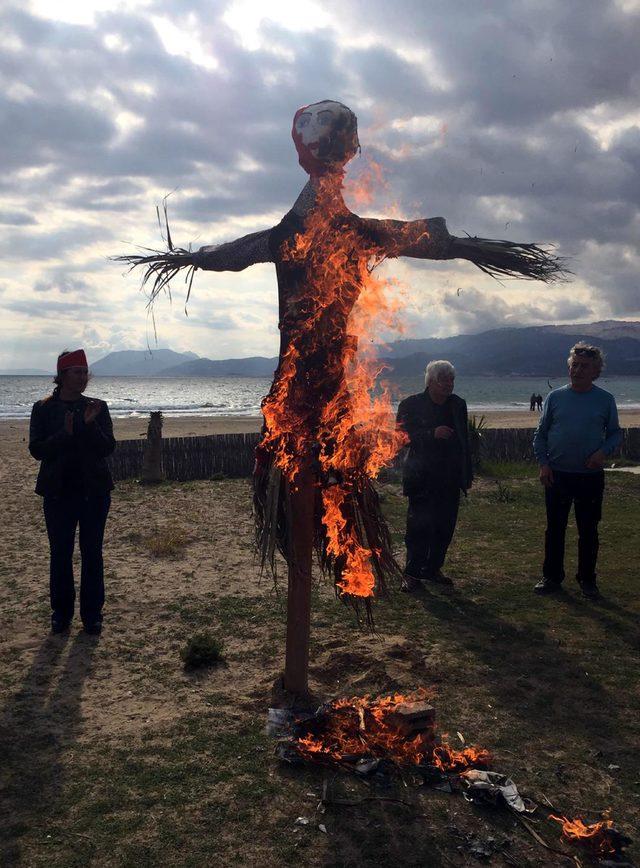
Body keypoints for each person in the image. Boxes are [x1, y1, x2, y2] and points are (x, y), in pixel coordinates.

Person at [29, 349, 115, 634]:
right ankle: (61, 614)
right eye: (76, 372)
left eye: (85, 372)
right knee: (60, 554)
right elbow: (37, 451)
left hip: (94, 492)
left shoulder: (97, 407)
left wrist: (89, 427)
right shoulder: (43, 409)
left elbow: (107, 448)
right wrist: (63, 435)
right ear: (62, 375)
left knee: (92, 553)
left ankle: (92, 616)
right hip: (57, 493)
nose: (82, 377)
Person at [532, 343, 622, 599]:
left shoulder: (605, 400)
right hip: (557, 474)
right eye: (574, 365)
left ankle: (587, 580)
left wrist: (603, 451)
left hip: (590, 477)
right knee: (555, 528)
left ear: (596, 371)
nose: (578, 370)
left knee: (589, 530)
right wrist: (544, 463)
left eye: (584, 366)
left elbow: (615, 433)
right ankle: (551, 578)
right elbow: (541, 434)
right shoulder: (555, 397)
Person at [396, 360, 473, 590]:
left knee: (444, 526)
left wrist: (466, 472)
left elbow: (464, 440)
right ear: (430, 382)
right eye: (443, 380)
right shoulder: (411, 404)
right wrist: (432, 433)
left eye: (451, 380)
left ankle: (432, 569)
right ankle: (411, 574)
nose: (448, 385)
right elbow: (401, 437)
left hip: (449, 477)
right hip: (421, 476)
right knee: (418, 527)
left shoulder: (457, 404)